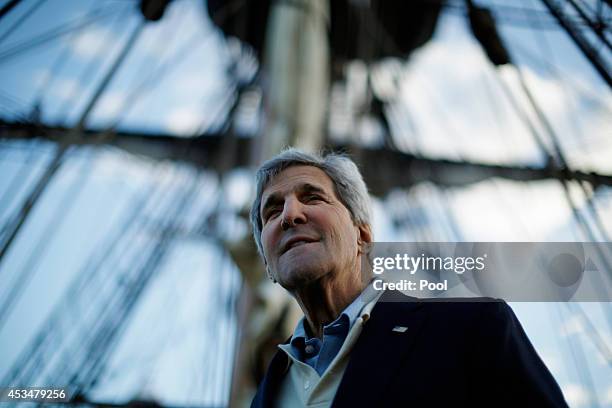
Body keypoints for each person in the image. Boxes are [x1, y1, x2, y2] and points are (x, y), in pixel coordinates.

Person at [249, 148, 568, 407]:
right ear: (268, 263)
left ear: (362, 234)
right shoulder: (267, 389)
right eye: (272, 212)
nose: (290, 215)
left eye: (313, 197)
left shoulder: (475, 331)